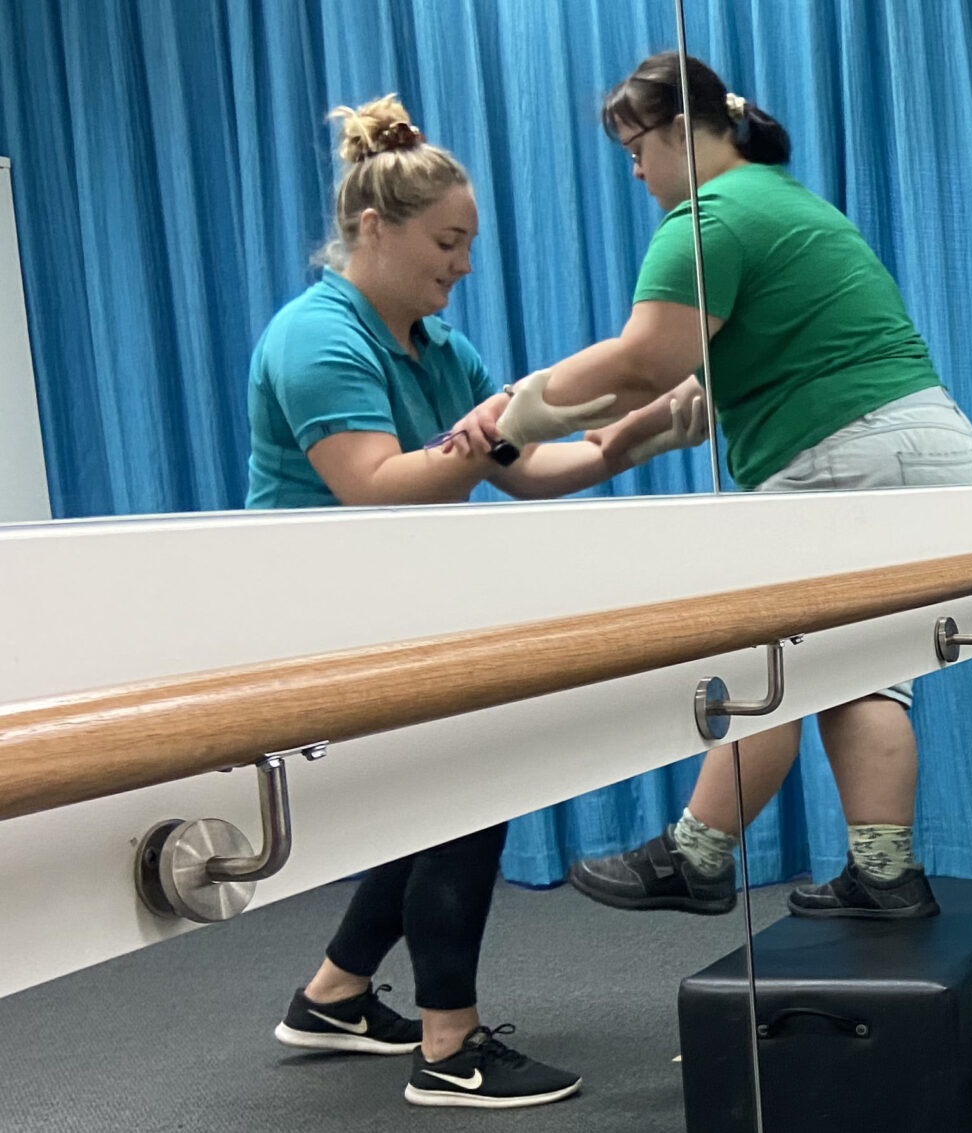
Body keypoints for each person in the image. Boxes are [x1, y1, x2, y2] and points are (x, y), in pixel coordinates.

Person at [472, 53, 972, 921]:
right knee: (859, 676)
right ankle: (884, 873)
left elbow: (644, 362)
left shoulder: (709, 218)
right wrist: (549, 451)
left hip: (852, 456)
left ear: (683, 130)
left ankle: (698, 853)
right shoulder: (786, 203)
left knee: (769, 662)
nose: (634, 171)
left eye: (636, 148)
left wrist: (512, 413)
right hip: (915, 450)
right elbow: (659, 410)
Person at [252, 94, 702, 1108]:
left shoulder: (435, 343)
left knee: (440, 795)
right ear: (373, 228)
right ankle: (449, 1047)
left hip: (397, 601)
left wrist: (634, 438)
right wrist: (478, 436)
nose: (462, 264)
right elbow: (374, 485)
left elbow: (522, 464)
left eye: (469, 244)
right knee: (466, 792)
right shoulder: (314, 337)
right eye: (447, 241)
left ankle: (335, 993)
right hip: (312, 611)